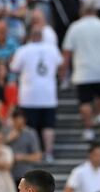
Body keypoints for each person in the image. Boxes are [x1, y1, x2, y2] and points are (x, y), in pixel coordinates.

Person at [11, 25, 62, 160]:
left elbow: (14, 67)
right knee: (48, 126)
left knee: (31, 127)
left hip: (29, 95)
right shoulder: (52, 49)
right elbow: (60, 63)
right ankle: (48, 153)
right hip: (48, 94)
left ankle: (33, 152)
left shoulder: (24, 50)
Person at [61, 0, 100, 142]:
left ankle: (88, 129)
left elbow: (67, 52)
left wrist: (63, 73)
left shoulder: (75, 27)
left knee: (85, 102)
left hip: (83, 71)